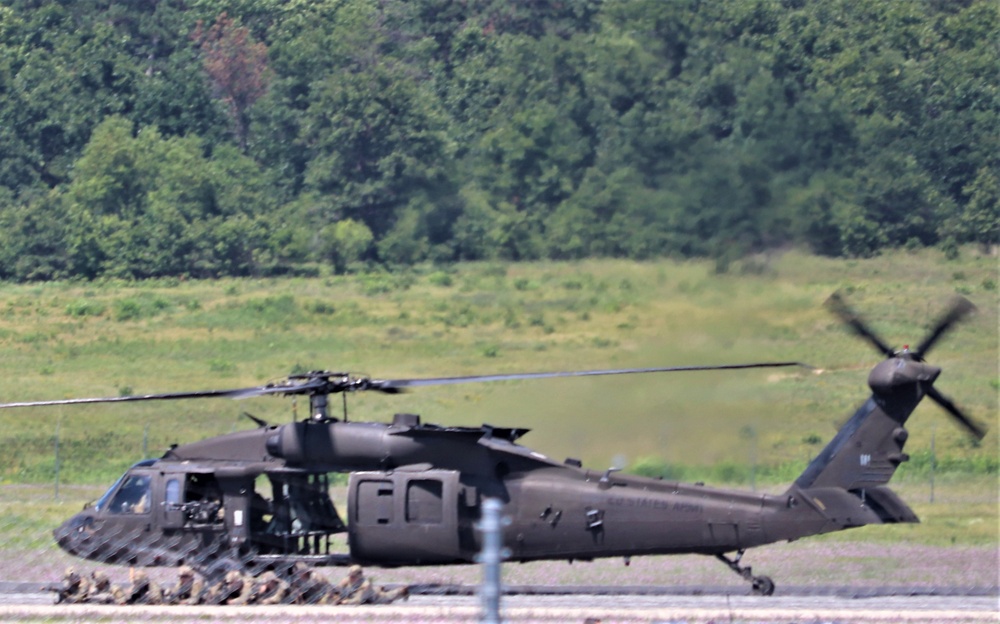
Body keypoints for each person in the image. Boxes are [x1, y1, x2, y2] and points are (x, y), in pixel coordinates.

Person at [335, 564, 408, 605]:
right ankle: (380, 588)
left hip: (374, 597)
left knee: (388, 598)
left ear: (359, 576)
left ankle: (402, 591)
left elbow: (358, 600)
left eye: (353, 576)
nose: (350, 578)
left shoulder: (365, 585)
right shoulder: (346, 580)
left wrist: (343, 602)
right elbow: (337, 590)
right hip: (362, 596)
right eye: (349, 576)